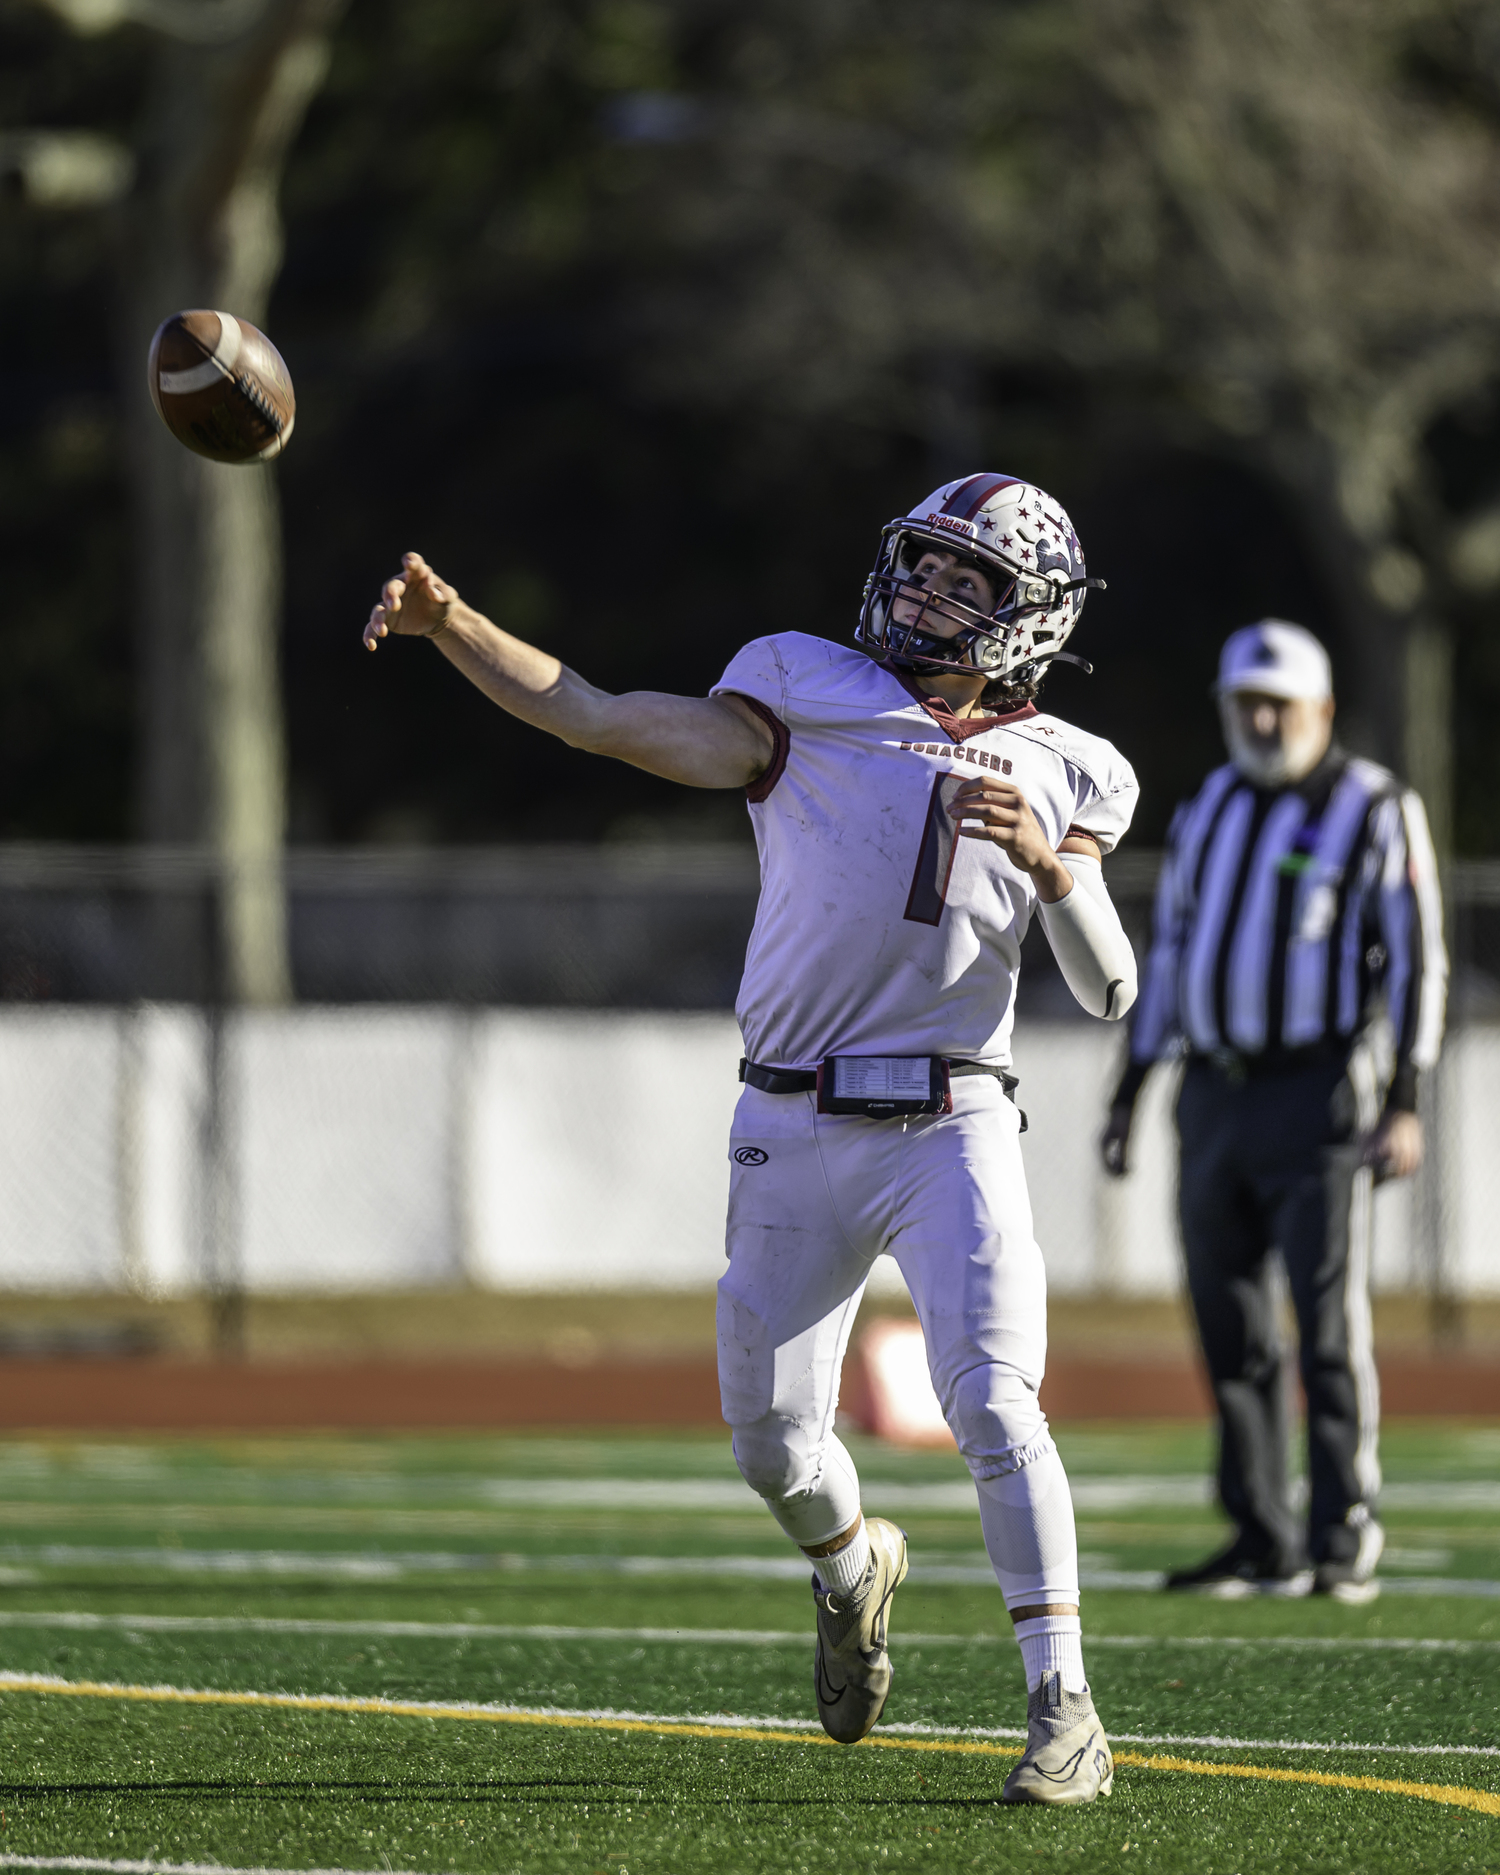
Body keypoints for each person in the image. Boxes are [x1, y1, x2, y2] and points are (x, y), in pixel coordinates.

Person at [364, 472, 1140, 1803]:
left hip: (956, 1114)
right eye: (923, 564)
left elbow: (1112, 987)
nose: (926, 592)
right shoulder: (801, 686)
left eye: (968, 581)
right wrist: (457, 625)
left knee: (995, 1399)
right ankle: (854, 1567)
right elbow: (604, 720)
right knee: (770, 1440)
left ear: (1030, 620)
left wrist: (1060, 871)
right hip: (791, 1111)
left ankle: (1063, 1705)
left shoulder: (1074, 764)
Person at [1101, 620, 1447, 1603]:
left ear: (1321, 711)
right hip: (1212, 1093)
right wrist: (1133, 1088)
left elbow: (1418, 960)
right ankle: (1262, 1534)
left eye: (1277, 704)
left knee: (1327, 1325)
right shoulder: (1209, 802)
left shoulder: (1374, 806)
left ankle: (1344, 1532)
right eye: (1243, 703)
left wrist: (1408, 1097)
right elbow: (1168, 952)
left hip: (1320, 1091)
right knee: (1229, 1325)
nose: (1259, 720)